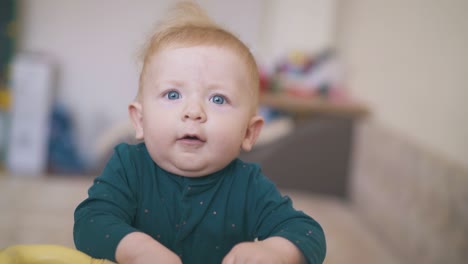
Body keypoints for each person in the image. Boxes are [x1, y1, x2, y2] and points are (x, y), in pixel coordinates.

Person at [74, 2, 326, 263]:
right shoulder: (128, 167)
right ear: (140, 120)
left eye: (218, 99)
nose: (193, 111)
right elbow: (90, 222)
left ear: (249, 133)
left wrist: (275, 251)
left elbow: (307, 234)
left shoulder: (248, 185)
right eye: (173, 94)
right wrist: (137, 248)